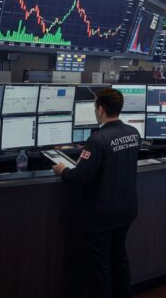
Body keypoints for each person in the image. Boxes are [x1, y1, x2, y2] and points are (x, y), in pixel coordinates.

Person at [52, 88, 140, 298]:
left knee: (100, 267)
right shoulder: (133, 133)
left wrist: (63, 170)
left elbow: (81, 176)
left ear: (100, 109)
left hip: (102, 215)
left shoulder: (97, 139)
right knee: (119, 260)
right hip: (126, 210)